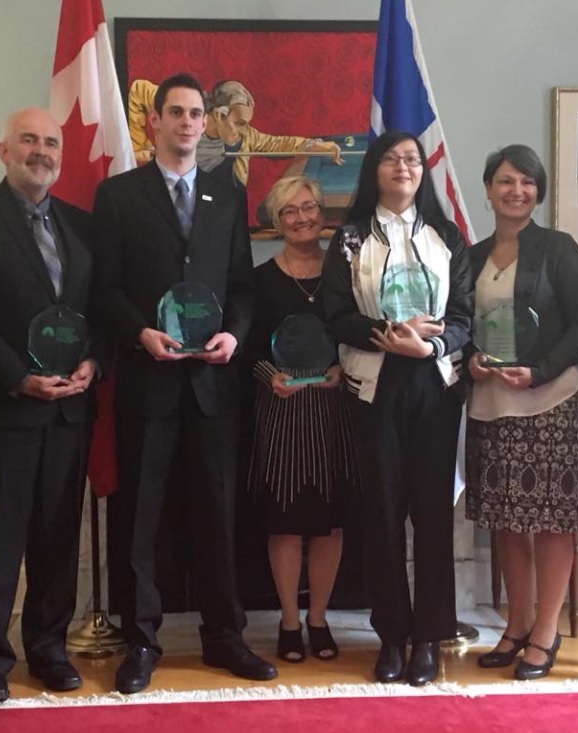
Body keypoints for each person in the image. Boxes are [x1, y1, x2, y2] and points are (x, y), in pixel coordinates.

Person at [93, 72, 276, 694]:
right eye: (175, 112)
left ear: (206, 122)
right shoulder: (118, 196)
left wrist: (234, 335)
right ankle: (141, 641)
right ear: (156, 123)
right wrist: (139, 332)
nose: (187, 122)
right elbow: (106, 291)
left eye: (196, 113)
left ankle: (224, 636)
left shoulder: (228, 196)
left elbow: (243, 290)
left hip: (213, 387)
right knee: (142, 519)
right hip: (148, 382)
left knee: (218, 515)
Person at [0, 108, 99, 703]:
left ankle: (49, 649)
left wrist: (95, 363)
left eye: (51, 142)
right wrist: (18, 378)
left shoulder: (82, 226)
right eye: (28, 140)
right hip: (4, 410)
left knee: (58, 540)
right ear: (4, 150)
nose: (41, 151)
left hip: (69, 411)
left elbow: (96, 313)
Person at [321, 130, 472, 685]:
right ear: (375, 171)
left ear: (422, 170)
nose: (403, 167)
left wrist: (429, 344)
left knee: (431, 514)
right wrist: (387, 333)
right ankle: (391, 636)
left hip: (434, 385)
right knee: (382, 514)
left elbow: (463, 315)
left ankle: (429, 636)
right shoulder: (350, 238)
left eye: (411, 159)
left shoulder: (447, 235)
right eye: (391, 159)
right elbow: (335, 313)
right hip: (373, 385)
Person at [464, 144, 578, 681]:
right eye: (504, 180)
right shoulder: (472, 255)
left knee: (550, 521)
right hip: (492, 402)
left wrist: (539, 371)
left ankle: (546, 632)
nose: (515, 190)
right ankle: (516, 625)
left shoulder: (558, 248)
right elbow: (460, 322)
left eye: (526, 181)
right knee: (504, 521)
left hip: (550, 401)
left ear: (538, 191)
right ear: (489, 188)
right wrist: (471, 360)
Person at [247, 176, 358, 663]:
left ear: (322, 213)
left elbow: (357, 332)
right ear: (276, 221)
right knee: (286, 523)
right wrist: (272, 375)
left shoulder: (345, 274)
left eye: (309, 207)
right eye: (289, 210)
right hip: (282, 414)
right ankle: (290, 622)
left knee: (328, 523)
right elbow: (248, 348)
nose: (302, 218)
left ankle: (320, 620)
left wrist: (342, 367)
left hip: (335, 412)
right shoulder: (259, 280)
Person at [128, 78, 342, 186]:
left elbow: (277, 144)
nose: (244, 129)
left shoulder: (245, 136)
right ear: (220, 115)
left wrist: (315, 145)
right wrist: (138, 146)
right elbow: (139, 90)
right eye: (239, 122)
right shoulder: (185, 106)